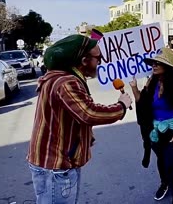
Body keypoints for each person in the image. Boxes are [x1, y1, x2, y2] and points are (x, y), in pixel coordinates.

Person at [27, 34, 133, 204]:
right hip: (56, 166)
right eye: (98, 58)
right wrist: (120, 106)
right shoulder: (66, 82)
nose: (101, 62)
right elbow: (89, 113)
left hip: (53, 163)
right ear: (84, 60)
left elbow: (73, 114)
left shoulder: (59, 77)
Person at [130, 48, 173, 204]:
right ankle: (164, 184)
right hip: (155, 131)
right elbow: (142, 102)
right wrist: (134, 87)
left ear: (167, 66)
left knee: (171, 164)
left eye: (158, 63)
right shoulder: (151, 81)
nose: (154, 65)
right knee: (160, 160)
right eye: (153, 63)